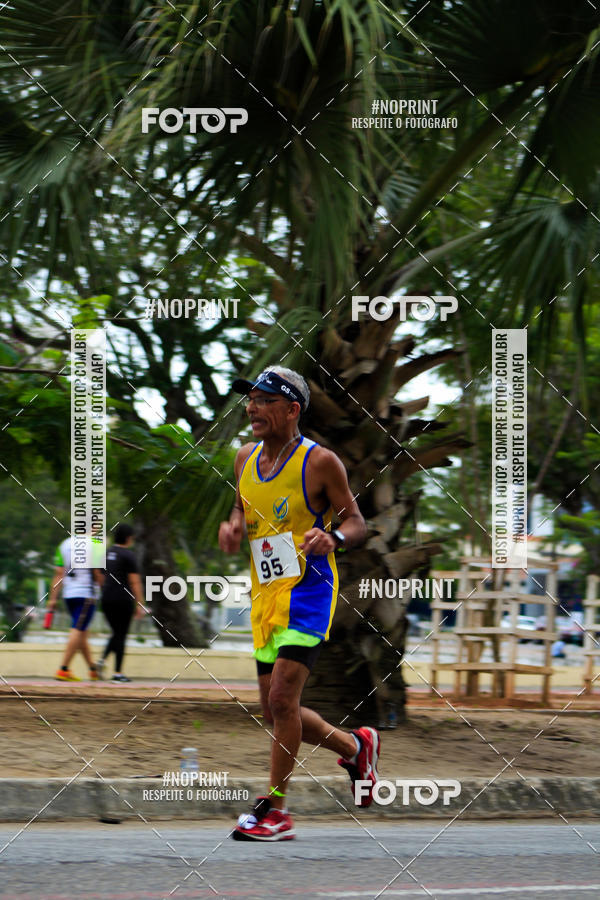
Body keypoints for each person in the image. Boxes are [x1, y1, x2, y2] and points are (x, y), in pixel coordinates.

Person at [218, 365, 379, 842]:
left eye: (264, 400)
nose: (252, 408)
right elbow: (242, 504)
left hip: (309, 593)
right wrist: (233, 525)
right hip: (265, 596)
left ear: (292, 410)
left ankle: (276, 810)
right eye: (250, 399)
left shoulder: (320, 462)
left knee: (283, 699)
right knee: (275, 711)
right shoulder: (244, 458)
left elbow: (356, 521)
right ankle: (355, 748)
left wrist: (334, 538)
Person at [48, 537, 103, 681]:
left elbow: (58, 574)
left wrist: (53, 598)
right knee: (78, 629)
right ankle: (63, 669)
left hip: (69, 595)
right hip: (87, 595)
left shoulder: (64, 544)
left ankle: (93, 670)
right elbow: (97, 573)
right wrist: (105, 589)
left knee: (81, 632)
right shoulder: (96, 544)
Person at [97, 524, 145, 682]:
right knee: (121, 635)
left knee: (116, 633)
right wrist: (139, 604)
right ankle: (117, 673)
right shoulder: (129, 555)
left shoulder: (106, 553)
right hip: (123, 599)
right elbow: (135, 582)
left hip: (106, 599)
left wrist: (106, 590)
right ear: (128, 538)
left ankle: (102, 661)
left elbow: (100, 576)